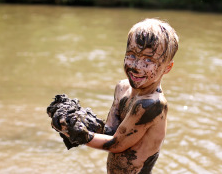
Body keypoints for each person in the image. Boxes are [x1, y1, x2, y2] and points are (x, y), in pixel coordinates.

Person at [48, 18, 179, 174]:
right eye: (131, 55)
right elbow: (109, 132)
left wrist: (78, 134)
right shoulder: (122, 88)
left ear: (167, 67)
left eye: (148, 60)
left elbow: (116, 144)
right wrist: (77, 120)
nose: (137, 66)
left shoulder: (153, 104)